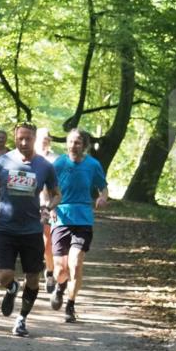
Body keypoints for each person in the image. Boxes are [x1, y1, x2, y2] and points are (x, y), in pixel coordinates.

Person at [0, 122, 60, 337]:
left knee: (33, 278)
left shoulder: (45, 166)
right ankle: (11, 288)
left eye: (28, 138)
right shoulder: (3, 161)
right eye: (20, 138)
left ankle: (22, 319)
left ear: (35, 139)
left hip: (32, 231)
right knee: (3, 276)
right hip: (6, 228)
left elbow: (56, 194)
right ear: (14, 139)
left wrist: (47, 208)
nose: (24, 142)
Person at [49, 128, 108, 323]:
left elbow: (103, 186)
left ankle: (70, 305)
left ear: (84, 145)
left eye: (78, 142)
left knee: (75, 263)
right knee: (60, 270)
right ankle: (59, 287)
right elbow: (48, 187)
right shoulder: (59, 163)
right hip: (61, 218)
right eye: (71, 142)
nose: (74, 146)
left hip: (83, 219)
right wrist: (49, 206)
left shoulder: (92, 165)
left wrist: (102, 197)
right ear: (67, 143)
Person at [35, 128, 60, 294]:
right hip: (29, 205)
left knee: (47, 243)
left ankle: (50, 271)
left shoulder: (55, 159)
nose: (44, 140)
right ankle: (31, 273)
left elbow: (58, 185)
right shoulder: (29, 156)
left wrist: (53, 206)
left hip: (47, 205)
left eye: (47, 138)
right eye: (41, 137)